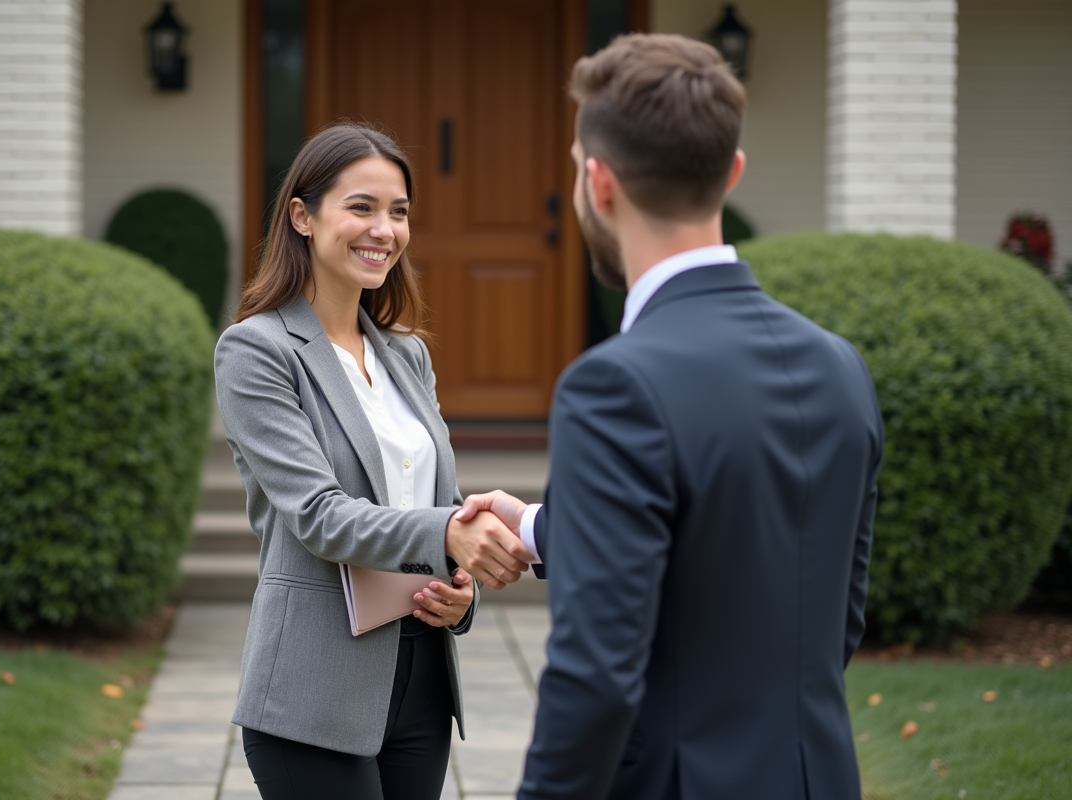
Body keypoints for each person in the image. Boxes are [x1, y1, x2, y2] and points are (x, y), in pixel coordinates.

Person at [456, 34, 884, 800]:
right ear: (732, 171)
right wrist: (539, 527)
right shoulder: (840, 366)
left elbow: (595, 679)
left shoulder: (614, 385)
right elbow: (829, 619)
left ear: (598, 183)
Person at [214, 122, 533, 800]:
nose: (384, 230)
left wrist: (460, 590)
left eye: (399, 211)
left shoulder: (407, 354)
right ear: (302, 216)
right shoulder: (256, 351)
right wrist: (449, 534)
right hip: (315, 688)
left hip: (421, 679)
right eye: (361, 207)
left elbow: (432, 503)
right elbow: (320, 516)